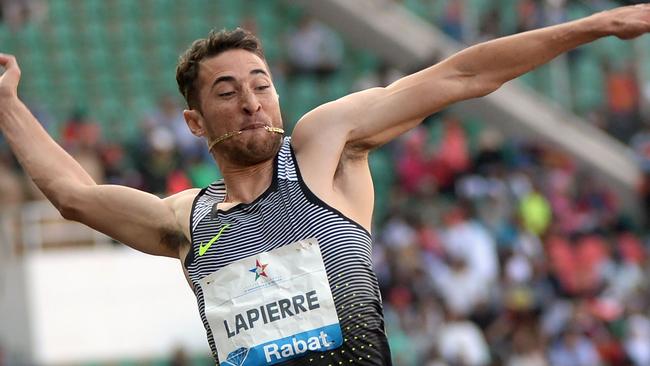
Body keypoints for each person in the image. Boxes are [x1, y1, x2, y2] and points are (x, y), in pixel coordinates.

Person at [1, 4, 650, 365]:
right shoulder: (186, 220)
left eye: (261, 85)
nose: (252, 102)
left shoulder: (323, 151)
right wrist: (6, 100)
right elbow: (75, 197)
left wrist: (593, 26)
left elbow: (459, 76)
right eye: (228, 93)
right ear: (195, 122)